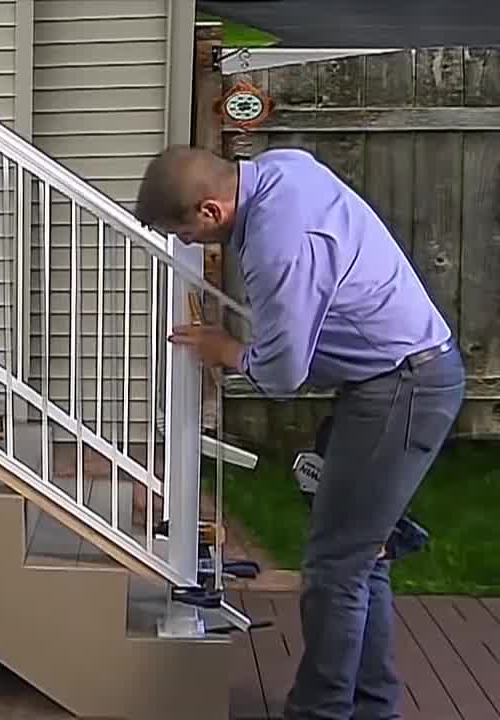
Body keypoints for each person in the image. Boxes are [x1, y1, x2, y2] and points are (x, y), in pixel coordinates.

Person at [133, 145, 465, 720]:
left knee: (335, 569)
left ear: (211, 211)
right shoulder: (284, 167)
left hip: (403, 387)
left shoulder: (276, 243)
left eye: (184, 232)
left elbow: (284, 374)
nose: (188, 243)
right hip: (393, 380)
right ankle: (372, 706)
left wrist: (226, 349)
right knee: (359, 558)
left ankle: (320, 710)